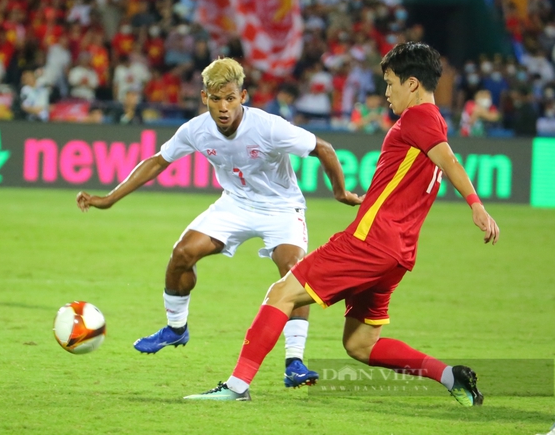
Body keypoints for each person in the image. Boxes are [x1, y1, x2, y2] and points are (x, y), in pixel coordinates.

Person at [184, 42, 500, 405]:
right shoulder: (436, 121)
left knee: (281, 293)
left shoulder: (419, 118)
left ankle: (237, 387)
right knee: (360, 344)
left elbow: (450, 161)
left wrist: (476, 205)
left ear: (412, 84)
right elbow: (441, 159)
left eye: (390, 82)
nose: (386, 92)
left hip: (370, 241)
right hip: (398, 254)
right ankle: (450, 376)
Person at [76, 57, 362, 387]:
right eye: (216, 99)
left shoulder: (269, 126)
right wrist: (109, 199)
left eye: (230, 98)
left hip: (282, 209)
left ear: (243, 96)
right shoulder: (196, 130)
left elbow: (323, 148)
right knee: (181, 254)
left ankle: (294, 361)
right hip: (235, 206)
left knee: (294, 274)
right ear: (204, 98)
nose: (223, 107)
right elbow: (157, 161)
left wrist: (340, 192)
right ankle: (176, 329)